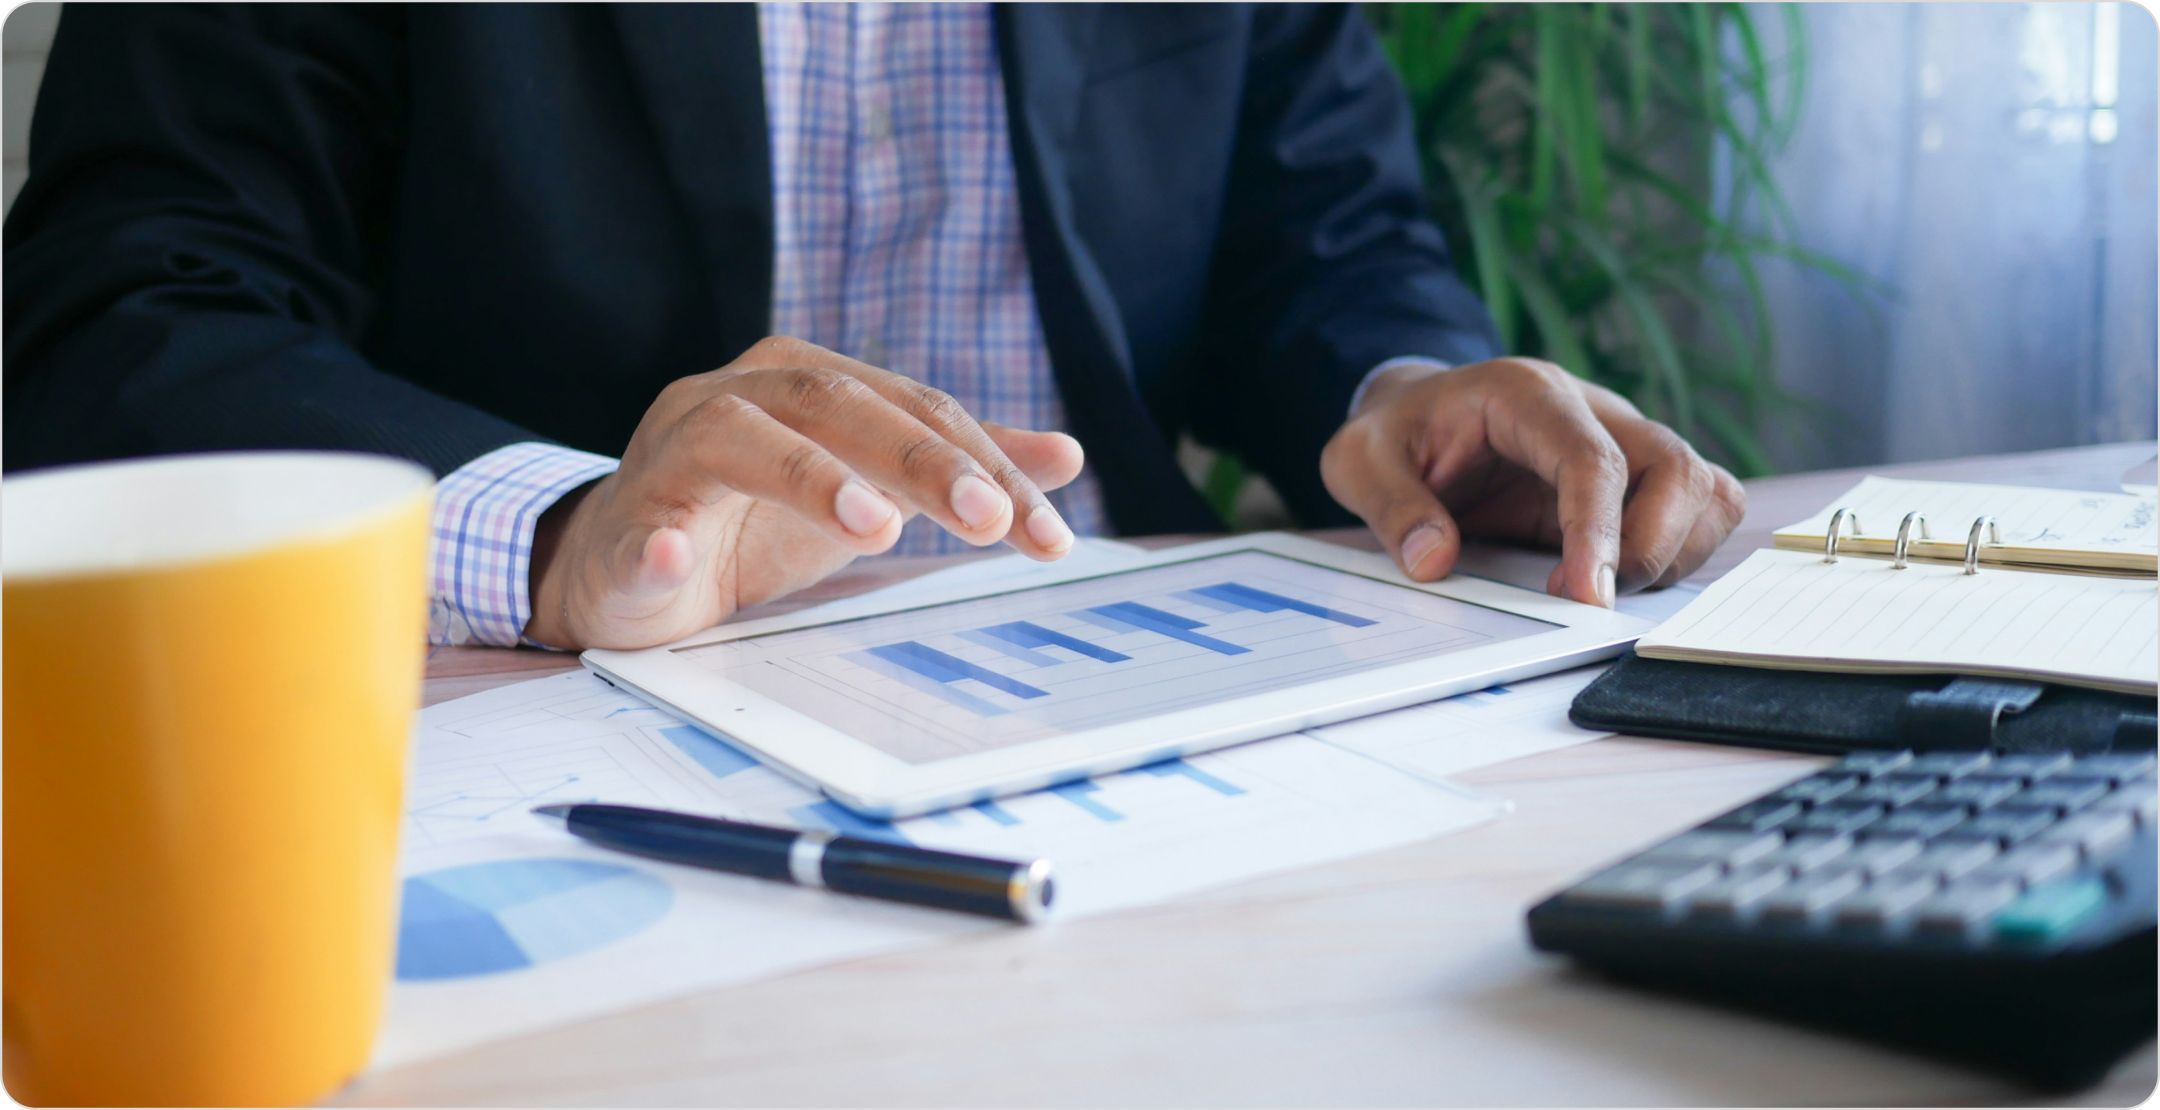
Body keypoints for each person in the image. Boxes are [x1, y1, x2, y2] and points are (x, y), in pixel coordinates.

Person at [3, 3, 1743, 651]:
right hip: (554, 700)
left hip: (1128, 680)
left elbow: (1320, 231)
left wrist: (1413, 388)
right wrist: (552, 526)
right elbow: (117, 310)